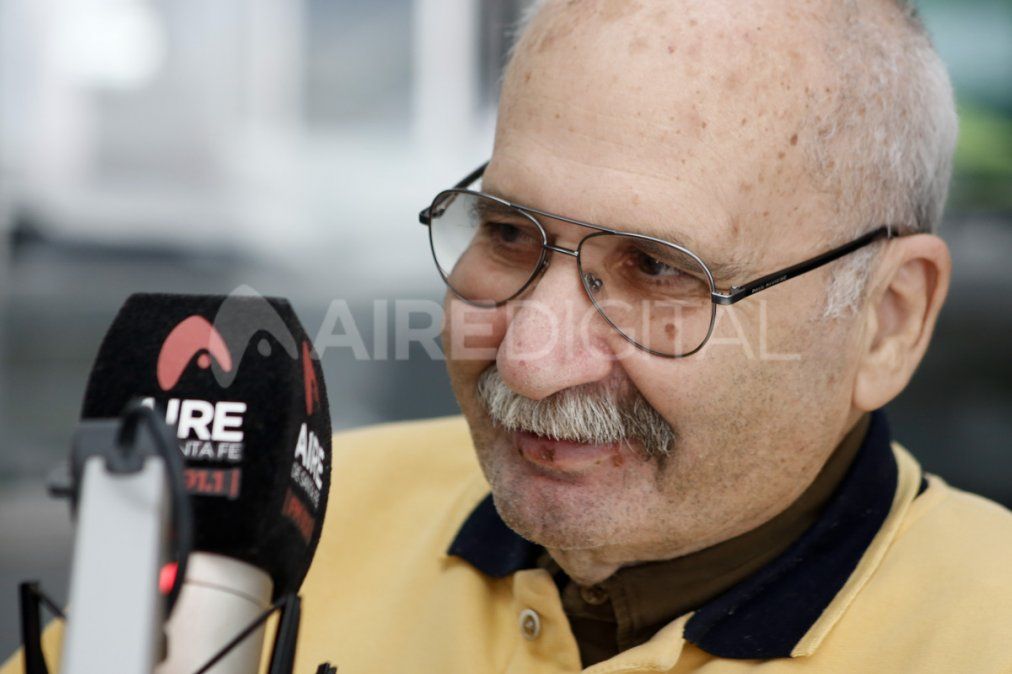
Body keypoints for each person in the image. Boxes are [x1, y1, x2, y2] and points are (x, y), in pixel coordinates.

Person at [3, 0, 1009, 672]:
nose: (526, 355)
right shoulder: (278, 520)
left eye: (658, 270)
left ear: (888, 319)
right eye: (507, 231)